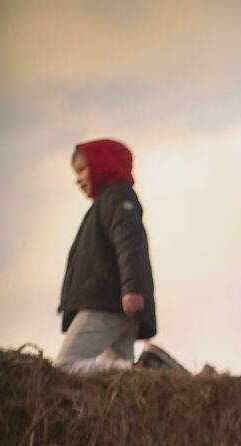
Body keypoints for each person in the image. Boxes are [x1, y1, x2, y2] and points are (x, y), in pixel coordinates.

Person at [55, 138, 158, 373]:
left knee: (65, 366)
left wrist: (132, 289)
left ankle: (146, 369)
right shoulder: (105, 204)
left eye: (82, 169)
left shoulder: (118, 197)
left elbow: (129, 242)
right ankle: (144, 371)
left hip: (106, 302)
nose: (77, 179)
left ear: (103, 163)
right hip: (117, 303)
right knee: (115, 383)